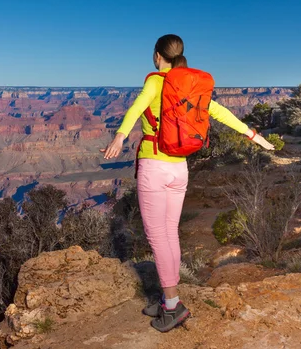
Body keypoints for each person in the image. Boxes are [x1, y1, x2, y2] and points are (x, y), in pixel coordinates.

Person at [100, 34, 274, 332]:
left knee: (157, 238)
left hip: (154, 166)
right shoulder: (190, 86)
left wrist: (119, 136)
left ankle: (173, 305)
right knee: (169, 233)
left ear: (158, 56)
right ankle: (167, 298)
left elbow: (137, 108)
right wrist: (252, 134)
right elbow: (217, 112)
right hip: (180, 169)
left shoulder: (156, 81)